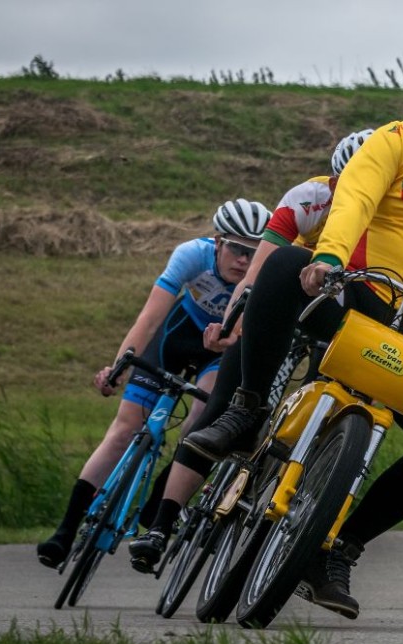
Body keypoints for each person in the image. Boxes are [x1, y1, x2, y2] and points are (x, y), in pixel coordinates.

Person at [181, 34, 403, 620]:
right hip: (351, 297)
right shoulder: (399, 139)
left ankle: (338, 551)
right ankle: (245, 410)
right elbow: (356, 197)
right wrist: (331, 259)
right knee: (288, 263)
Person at [127, 128, 375, 572]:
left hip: (335, 317)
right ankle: (160, 526)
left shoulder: (397, 220)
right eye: (345, 186)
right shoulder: (310, 196)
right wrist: (232, 320)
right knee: (221, 405)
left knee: (331, 396)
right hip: (281, 304)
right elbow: (257, 270)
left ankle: (301, 486)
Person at [36, 198, 272, 568]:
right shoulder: (191, 255)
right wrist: (118, 368)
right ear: (217, 242)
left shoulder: (259, 276)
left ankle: (162, 501)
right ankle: (65, 532)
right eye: (238, 249)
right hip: (175, 336)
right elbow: (149, 319)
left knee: (201, 420)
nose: (244, 260)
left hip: (219, 350)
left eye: (253, 253)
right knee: (124, 428)